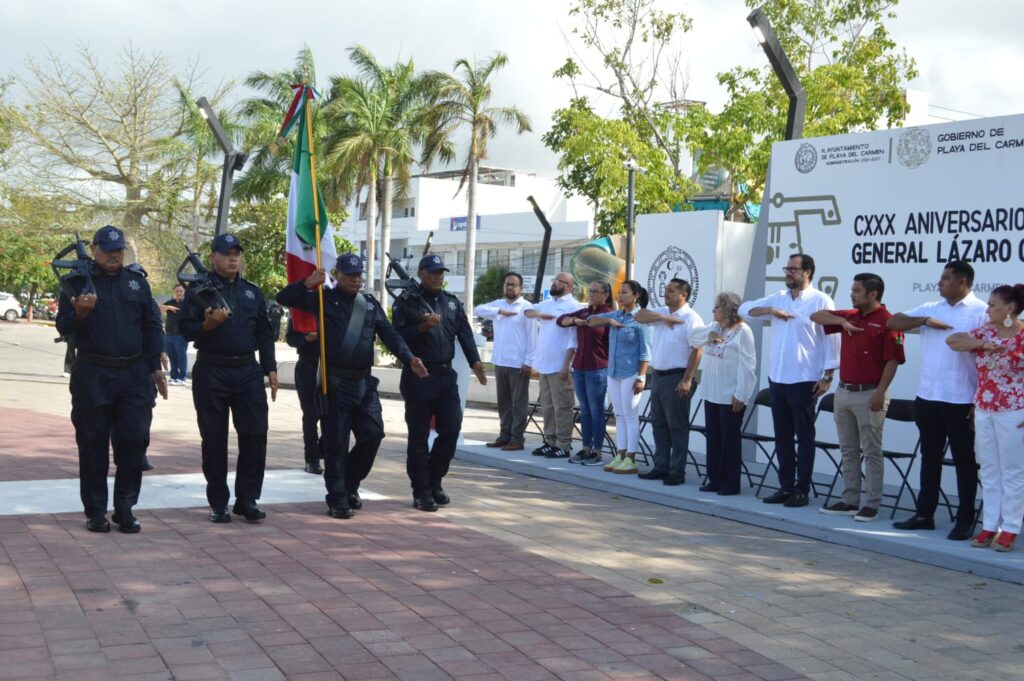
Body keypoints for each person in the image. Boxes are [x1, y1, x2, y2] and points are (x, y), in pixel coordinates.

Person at [278, 254, 427, 518]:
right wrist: (308, 283)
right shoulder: (322, 299)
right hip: (336, 383)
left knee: (373, 435)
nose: (355, 280)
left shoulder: (368, 303)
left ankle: (349, 483)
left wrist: (409, 358)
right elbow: (283, 298)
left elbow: (389, 334)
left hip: (364, 383)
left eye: (358, 275)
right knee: (336, 444)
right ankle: (337, 498)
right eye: (349, 276)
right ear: (337, 275)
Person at [55, 225, 168, 533]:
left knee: (134, 441)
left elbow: (151, 324)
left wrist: (155, 366)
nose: (114, 255)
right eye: (108, 250)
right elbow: (63, 326)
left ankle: (125, 508)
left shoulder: (136, 282)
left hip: (134, 374)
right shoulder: (76, 281)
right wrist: (80, 313)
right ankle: (95, 511)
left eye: (119, 250)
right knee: (92, 444)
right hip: (93, 372)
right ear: (94, 250)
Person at [179, 233, 278, 524]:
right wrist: (207, 325)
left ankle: (247, 499)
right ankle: (218, 502)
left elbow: (264, 333)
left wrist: (270, 368)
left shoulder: (252, 292)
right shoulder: (198, 290)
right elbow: (185, 329)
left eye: (237, 254)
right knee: (214, 438)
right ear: (213, 257)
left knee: (255, 434)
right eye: (227, 254)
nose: (233, 259)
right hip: (212, 369)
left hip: (248, 371)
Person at [888, 260, 988, 540]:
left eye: (945, 278)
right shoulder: (931, 308)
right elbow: (893, 322)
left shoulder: (981, 312)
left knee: (964, 461)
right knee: (929, 458)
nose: (939, 283)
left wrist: (978, 401)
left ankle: (965, 519)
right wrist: (923, 321)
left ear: (962, 281)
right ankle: (925, 515)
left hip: (962, 399)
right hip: (928, 396)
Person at [739, 253, 840, 508]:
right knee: (782, 436)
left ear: (808, 272)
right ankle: (785, 487)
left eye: (793, 269)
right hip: (778, 378)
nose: (788, 273)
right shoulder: (779, 297)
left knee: (804, 438)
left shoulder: (820, 300)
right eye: (787, 269)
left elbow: (832, 340)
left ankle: (801, 490)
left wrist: (828, 377)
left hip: (805, 379)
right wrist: (770, 310)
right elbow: (744, 309)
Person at [392, 254, 487, 512]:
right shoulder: (406, 302)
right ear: (421, 273)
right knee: (419, 437)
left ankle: (435, 480)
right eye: (433, 272)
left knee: (451, 429)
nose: (438, 277)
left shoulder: (451, 302)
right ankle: (421, 490)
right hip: (419, 377)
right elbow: (396, 338)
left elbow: (465, 334)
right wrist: (422, 327)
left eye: (441, 272)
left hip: (446, 377)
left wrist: (475, 361)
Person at [810, 273, 905, 521]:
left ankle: (872, 503)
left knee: (871, 452)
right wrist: (841, 322)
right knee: (848, 450)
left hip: (870, 393)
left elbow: (892, 361)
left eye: (857, 291)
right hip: (844, 392)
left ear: (872, 294)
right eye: (852, 290)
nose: (852, 294)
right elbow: (816, 316)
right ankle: (849, 500)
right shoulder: (850, 316)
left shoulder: (888, 321)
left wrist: (880, 392)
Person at [946, 284, 1024, 551]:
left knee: (1012, 471)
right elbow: (953, 341)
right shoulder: (986, 331)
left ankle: (1010, 528)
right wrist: (982, 344)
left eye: (992, 305)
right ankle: (990, 526)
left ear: (1009, 308)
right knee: (989, 469)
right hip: (984, 408)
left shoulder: (1022, 336)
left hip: (1014, 410)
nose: (987, 309)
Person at [634, 279, 705, 486]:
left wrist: (687, 379)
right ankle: (661, 467)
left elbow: (697, 349)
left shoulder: (691, 318)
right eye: (666, 290)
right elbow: (638, 316)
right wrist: (663, 317)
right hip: (658, 376)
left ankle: (677, 471)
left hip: (677, 377)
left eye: (671, 291)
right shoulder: (662, 312)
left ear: (683, 295)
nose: (666, 294)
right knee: (658, 424)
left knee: (677, 426)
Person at [689, 292, 757, 496]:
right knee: (713, 438)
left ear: (728, 309)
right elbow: (692, 337)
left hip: (730, 395)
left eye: (717, 307)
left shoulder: (743, 331)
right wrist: (708, 336)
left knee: (729, 440)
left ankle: (730, 483)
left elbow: (748, 365)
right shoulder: (715, 327)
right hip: (711, 392)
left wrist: (742, 394)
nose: (713, 310)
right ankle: (714, 479)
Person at [588, 280, 653, 475]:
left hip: (631, 373)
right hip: (613, 373)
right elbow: (590, 320)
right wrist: (609, 321)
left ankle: (631, 458)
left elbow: (646, 352)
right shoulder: (616, 315)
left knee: (630, 416)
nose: (620, 296)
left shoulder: (640, 319)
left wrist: (641, 377)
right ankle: (620, 454)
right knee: (618, 415)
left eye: (624, 292)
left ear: (636, 296)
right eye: (619, 292)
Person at [524, 272, 585, 458]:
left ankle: (563, 445)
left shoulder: (574, 306)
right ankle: (549, 441)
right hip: (544, 364)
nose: (555, 283)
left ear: (569, 286)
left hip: (561, 366)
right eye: (554, 280)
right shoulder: (547, 304)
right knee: (548, 407)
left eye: (560, 281)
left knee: (562, 407)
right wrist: (539, 314)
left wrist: (567, 364)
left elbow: (574, 340)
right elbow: (526, 311)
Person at [473, 272, 533, 451]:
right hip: (500, 361)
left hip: (518, 363)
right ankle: (504, 435)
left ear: (521, 288)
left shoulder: (526, 308)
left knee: (518, 403)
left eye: (514, 285)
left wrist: (529, 361)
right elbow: (478, 310)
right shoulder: (498, 305)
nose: (510, 287)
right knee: (504, 403)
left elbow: (533, 337)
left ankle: (517, 439)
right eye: (507, 284)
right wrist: (499, 311)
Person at [557, 280, 614, 465]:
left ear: (605, 295)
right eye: (590, 291)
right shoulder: (583, 312)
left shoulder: (608, 314)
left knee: (596, 411)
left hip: (597, 368)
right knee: (584, 410)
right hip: (580, 367)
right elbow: (561, 320)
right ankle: (586, 448)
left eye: (596, 291)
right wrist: (575, 321)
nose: (592, 294)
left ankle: (597, 451)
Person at [285, 315, 324, 475]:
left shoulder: (334, 307)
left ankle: (324, 449)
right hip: (308, 365)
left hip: (332, 367)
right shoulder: (301, 310)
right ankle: (312, 458)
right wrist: (306, 339)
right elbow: (291, 338)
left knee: (333, 413)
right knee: (311, 414)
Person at [159, 284, 189, 385]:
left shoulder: (186, 303)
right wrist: (169, 307)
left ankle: (182, 378)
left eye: (180, 291)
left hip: (181, 334)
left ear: (184, 292)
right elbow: (160, 309)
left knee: (181, 356)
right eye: (177, 291)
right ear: (174, 292)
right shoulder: (170, 302)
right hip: (169, 333)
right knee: (172, 356)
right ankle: (174, 377)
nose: (178, 293)